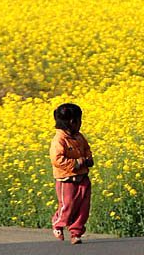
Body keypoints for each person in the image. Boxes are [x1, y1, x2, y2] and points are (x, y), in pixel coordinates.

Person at [50, 103, 94, 245]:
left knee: (83, 208)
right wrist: (75, 163)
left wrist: (89, 158)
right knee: (68, 205)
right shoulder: (59, 140)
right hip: (66, 179)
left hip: (83, 178)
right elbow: (57, 159)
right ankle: (58, 223)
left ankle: (76, 233)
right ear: (72, 122)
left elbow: (86, 148)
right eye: (79, 120)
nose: (81, 123)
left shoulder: (79, 137)